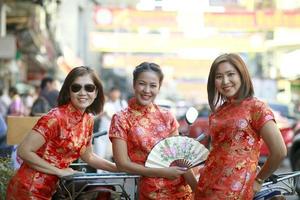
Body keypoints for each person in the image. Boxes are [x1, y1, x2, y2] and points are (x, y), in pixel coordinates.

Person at [6, 66, 117, 200]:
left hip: (52, 190)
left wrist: (118, 167)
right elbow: (23, 151)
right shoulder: (55, 118)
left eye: (89, 88)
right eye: (76, 87)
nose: (83, 92)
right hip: (28, 188)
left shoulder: (88, 120)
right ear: (69, 91)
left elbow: (88, 156)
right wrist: (59, 171)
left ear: (96, 92)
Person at [194, 53, 287, 199]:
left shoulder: (257, 107)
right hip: (207, 183)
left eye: (230, 74)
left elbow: (279, 151)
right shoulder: (218, 112)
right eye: (219, 77)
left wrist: (259, 179)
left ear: (242, 75)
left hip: (235, 189)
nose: (225, 81)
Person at [109, 62, 196, 200]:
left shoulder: (167, 116)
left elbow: (180, 158)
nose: (147, 90)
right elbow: (122, 164)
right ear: (134, 85)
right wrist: (162, 172)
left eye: (153, 85)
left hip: (181, 189)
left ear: (159, 88)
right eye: (142, 84)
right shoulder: (121, 118)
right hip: (149, 190)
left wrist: (197, 188)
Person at [94, 86, 128, 163]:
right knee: (100, 155)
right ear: (110, 93)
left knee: (115, 156)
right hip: (103, 133)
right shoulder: (106, 104)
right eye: (113, 92)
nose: (115, 94)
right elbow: (94, 117)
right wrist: (102, 114)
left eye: (116, 92)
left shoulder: (123, 104)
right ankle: (99, 172)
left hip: (117, 134)